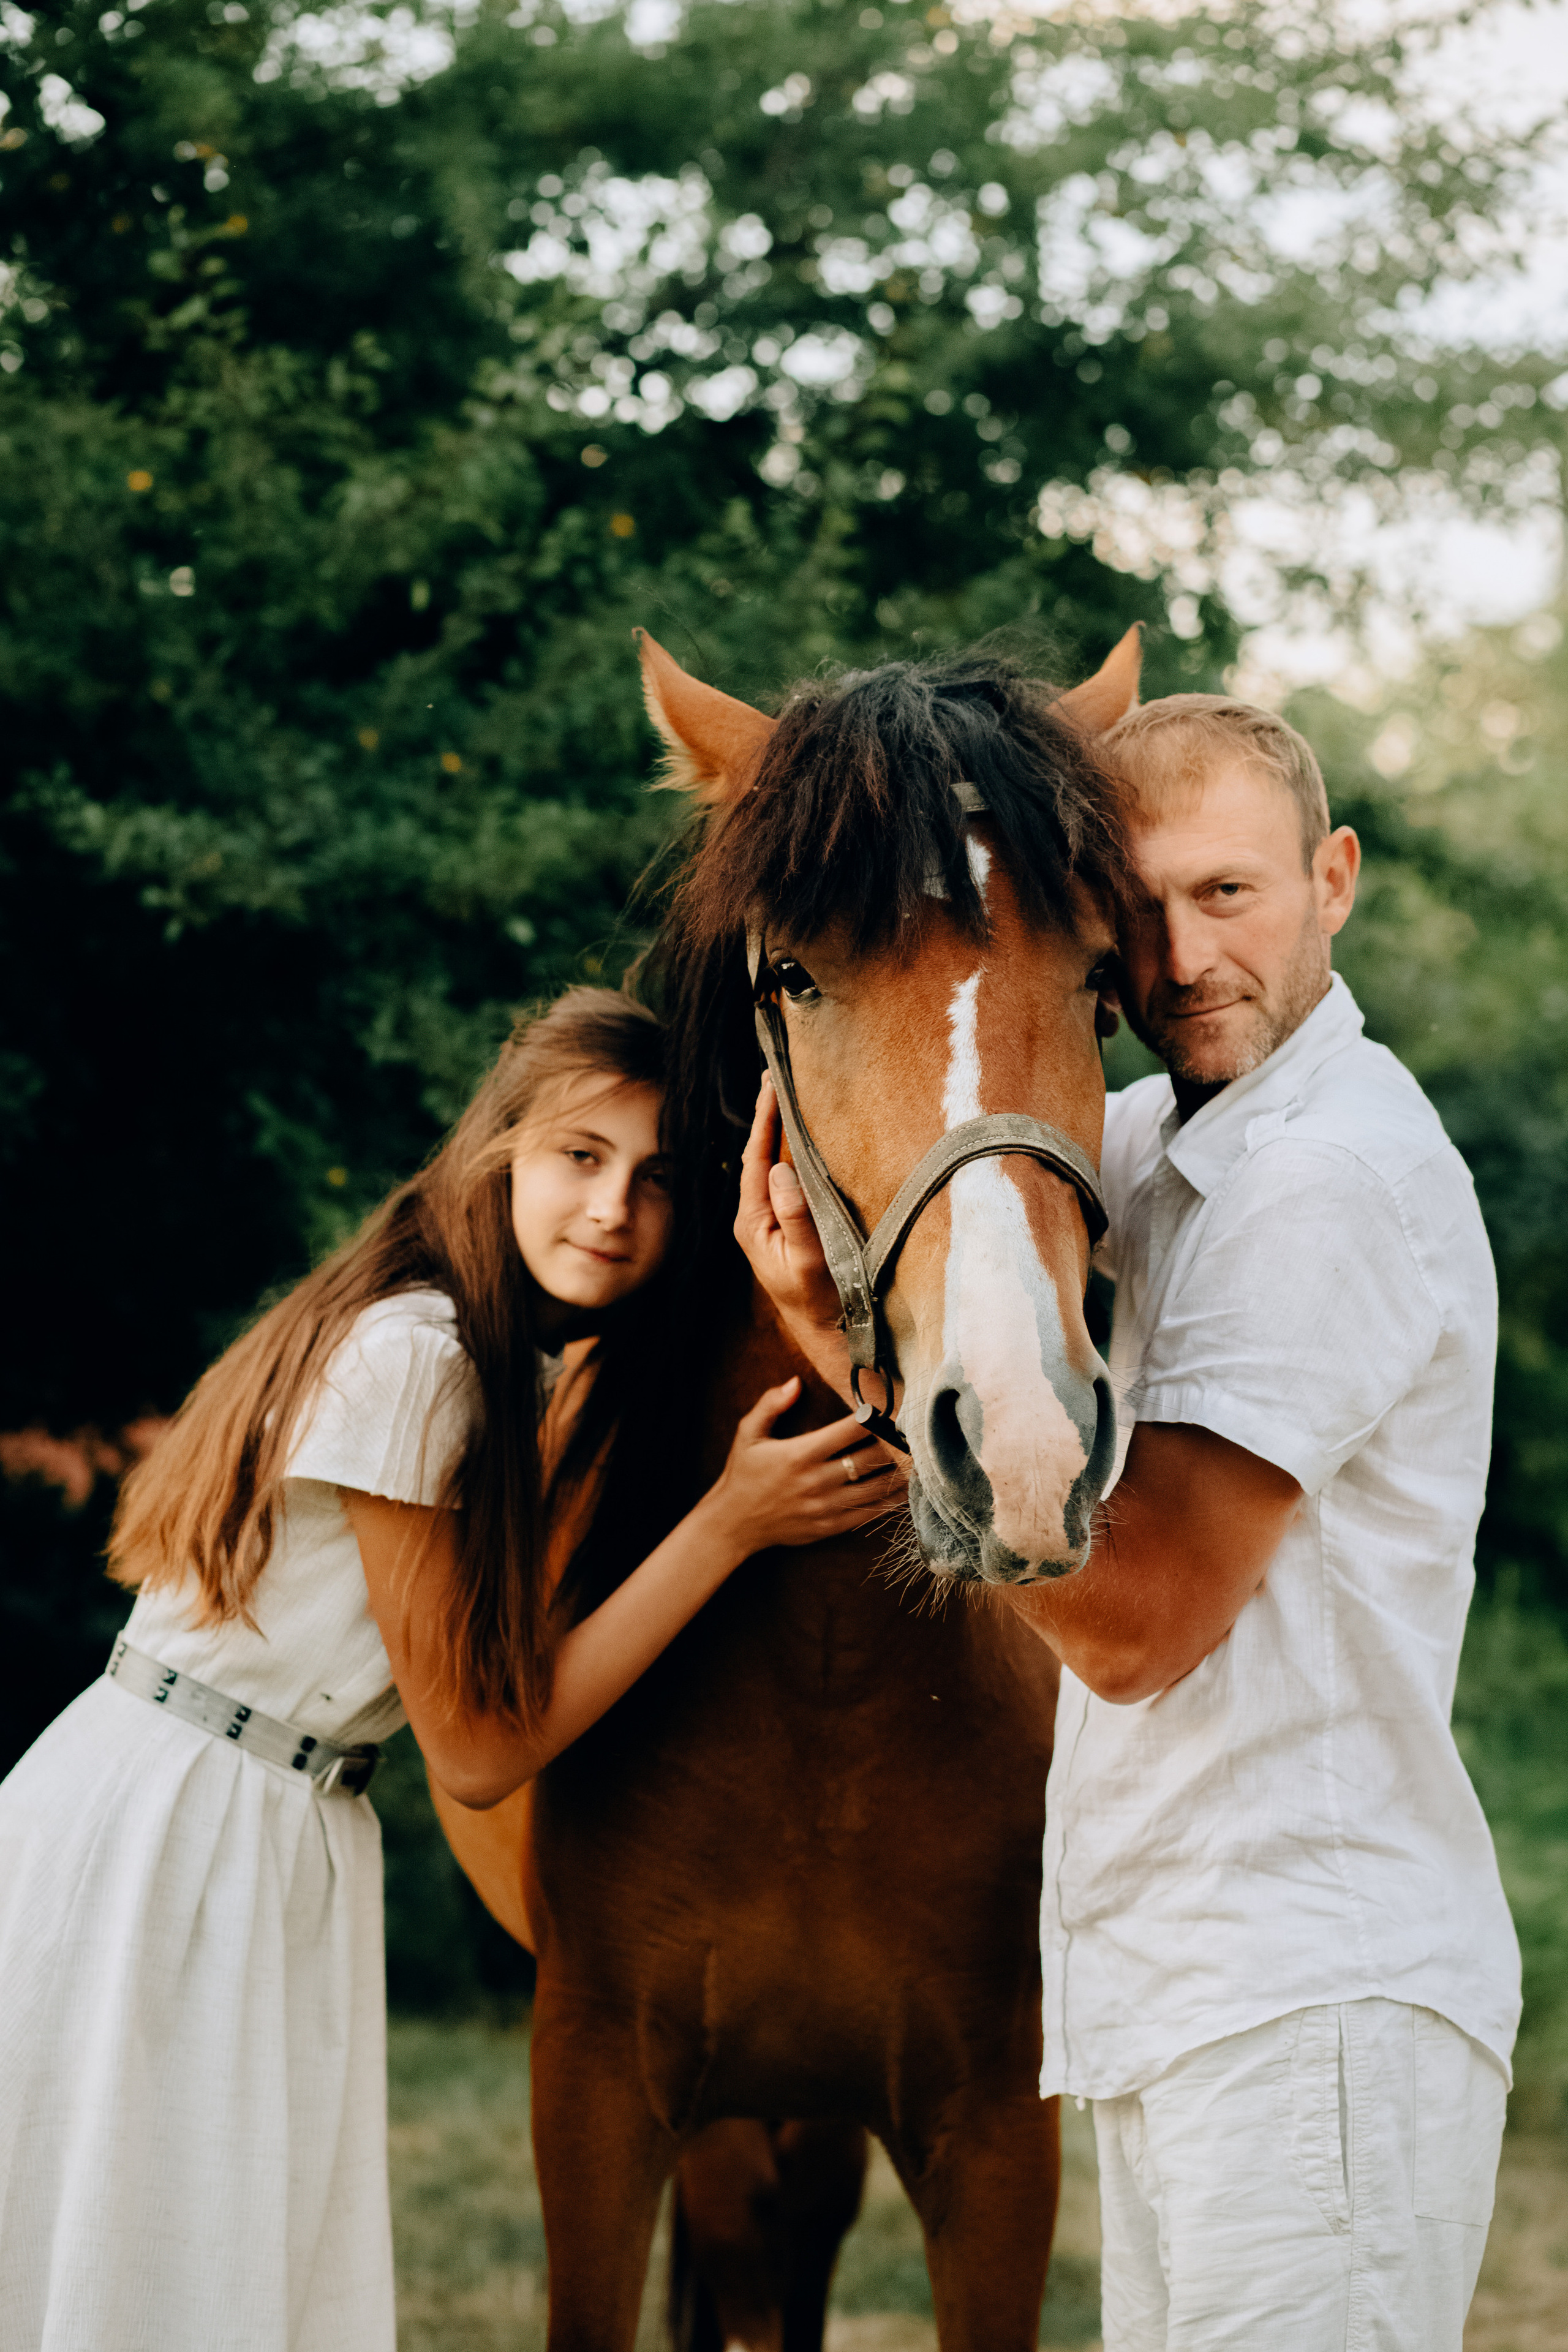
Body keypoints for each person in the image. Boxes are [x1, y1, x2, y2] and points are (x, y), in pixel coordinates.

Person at [734, 696, 1521, 2351]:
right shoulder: (1166, 1139)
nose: (1182, 957)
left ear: (1335, 881)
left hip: (1311, 1999)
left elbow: (1148, 1620)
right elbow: (976, 1101)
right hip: (1191, 1989)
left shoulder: (1327, 1180)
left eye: (1227, 894)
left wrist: (845, 1367)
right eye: (1137, 919)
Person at [0, 985, 895, 2352]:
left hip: (261, 1813)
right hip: (181, 1830)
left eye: (657, 1180)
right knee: (147, 2273)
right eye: (578, 1160)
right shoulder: (419, 1360)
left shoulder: (486, 1356)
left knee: (204, 2265)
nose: (611, 1208)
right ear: (498, 1156)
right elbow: (481, 1748)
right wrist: (730, 1522)